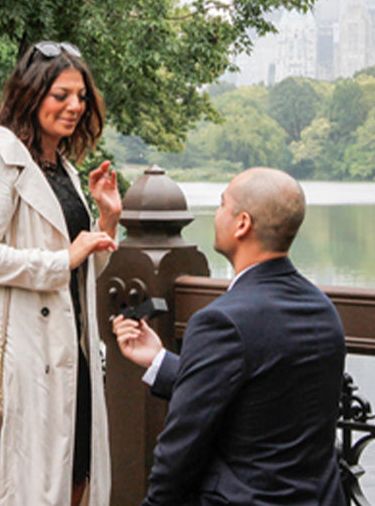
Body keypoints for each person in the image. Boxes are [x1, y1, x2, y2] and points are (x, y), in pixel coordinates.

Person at [113, 167, 346, 506]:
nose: (216, 214)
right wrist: (159, 359)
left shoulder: (220, 321)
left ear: (242, 224)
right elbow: (258, 395)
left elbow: (181, 445)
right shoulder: (322, 310)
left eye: (223, 204)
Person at [0, 41, 120, 506]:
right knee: (24, 490)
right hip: (20, 358)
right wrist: (59, 261)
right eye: (61, 95)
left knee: (77, 481)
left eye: (81, 97)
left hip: (71, 354)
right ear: (31, 95)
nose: (74, 107)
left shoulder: (62, 168)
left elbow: (77, 270)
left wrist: (105, 221)